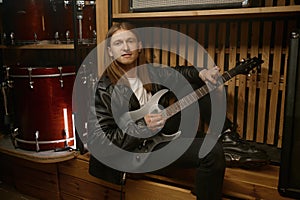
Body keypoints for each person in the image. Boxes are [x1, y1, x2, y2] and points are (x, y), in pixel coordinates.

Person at [88, 22, 226, 200]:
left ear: (139, 46)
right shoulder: (104, 89)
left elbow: (178, 73)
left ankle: (227, 134)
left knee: (192, 87)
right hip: (136, 152)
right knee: (211, 152)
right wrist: (142, 126)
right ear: (109, 51)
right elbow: (98, 142)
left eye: (130, 41)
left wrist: (201, 73)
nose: (125, 47)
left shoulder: (149, 72)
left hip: (158, 137)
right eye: (118, 43)